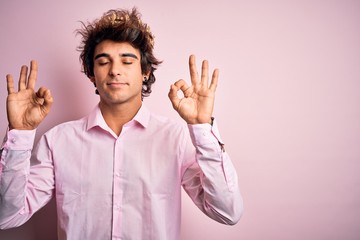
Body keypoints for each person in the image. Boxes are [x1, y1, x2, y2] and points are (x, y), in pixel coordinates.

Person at [0, 7, 243, 240]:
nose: (115, 70)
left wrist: (202, 127)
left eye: (127, 62)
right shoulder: (57, 141)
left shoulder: (175, 138)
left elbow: (227, 212)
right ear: (91, 73)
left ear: (145, 71)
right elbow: (5, 216)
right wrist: (19, 133)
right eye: (104, 62)